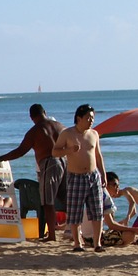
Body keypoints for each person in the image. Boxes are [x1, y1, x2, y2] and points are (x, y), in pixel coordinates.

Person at [0, 103, 66, 242]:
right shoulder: (60, 126)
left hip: (49, 163)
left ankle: (52, 235)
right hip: (65, 162)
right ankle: (77, 230)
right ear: (45, 112)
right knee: (66, 198)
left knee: (48, 201)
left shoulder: (35, 131)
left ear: (31, 117)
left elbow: (20, 151)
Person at [53, 104, 108, 252]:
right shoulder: (67, 133)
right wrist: (69, 150)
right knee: (75, 212)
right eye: (88, 118)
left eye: (92, 118)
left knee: (97, 211)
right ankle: (77, 244)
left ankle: (98, 244)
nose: (91, 120)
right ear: (79, 118)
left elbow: (98, 156)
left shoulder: (94, 134)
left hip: (93, 176)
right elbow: (55, 152)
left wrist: (103, 174)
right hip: (76, 176)